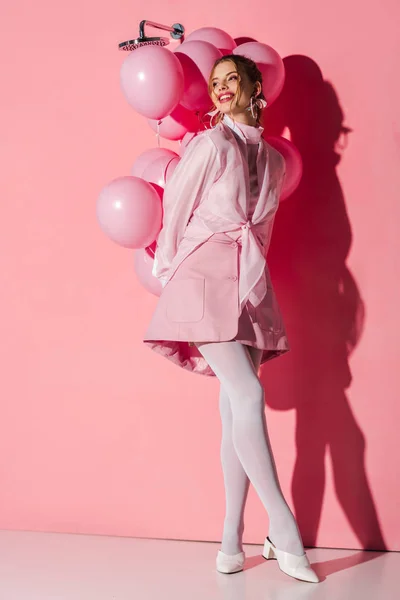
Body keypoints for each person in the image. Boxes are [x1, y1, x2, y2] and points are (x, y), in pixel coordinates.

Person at [143, 55, 320, 583]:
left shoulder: (274, 160)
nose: (221, 89)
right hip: (201, 277)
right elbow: (175, 207)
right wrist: (169, 269)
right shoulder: (208, 144)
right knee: (247, 396)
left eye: (231, 80)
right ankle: (283, 529)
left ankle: (230, 538)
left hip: (246, 283)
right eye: (215, 82)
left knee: (233, 409)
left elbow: (260, 232)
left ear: (253, 86)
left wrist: (253, 282)